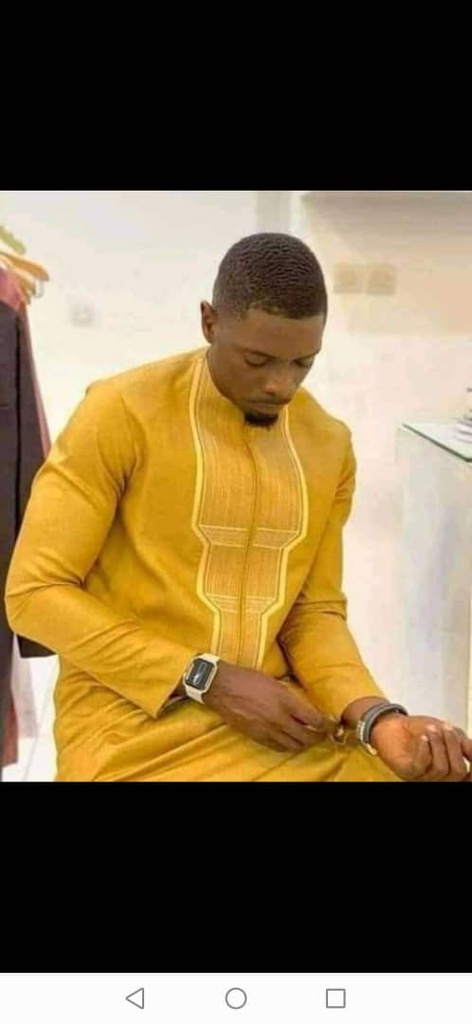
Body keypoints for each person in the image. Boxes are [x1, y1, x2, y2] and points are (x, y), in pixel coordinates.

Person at [5, 233, 472, 782]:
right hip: (130, 724)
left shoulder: (327, 444)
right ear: (210, 322)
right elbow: (35, 594)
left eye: (303, 363)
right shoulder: (121, 413)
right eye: (258, 360)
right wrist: (207, 678)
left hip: (283, 723)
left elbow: (312, 613)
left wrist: (377, 718)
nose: (280, 385)